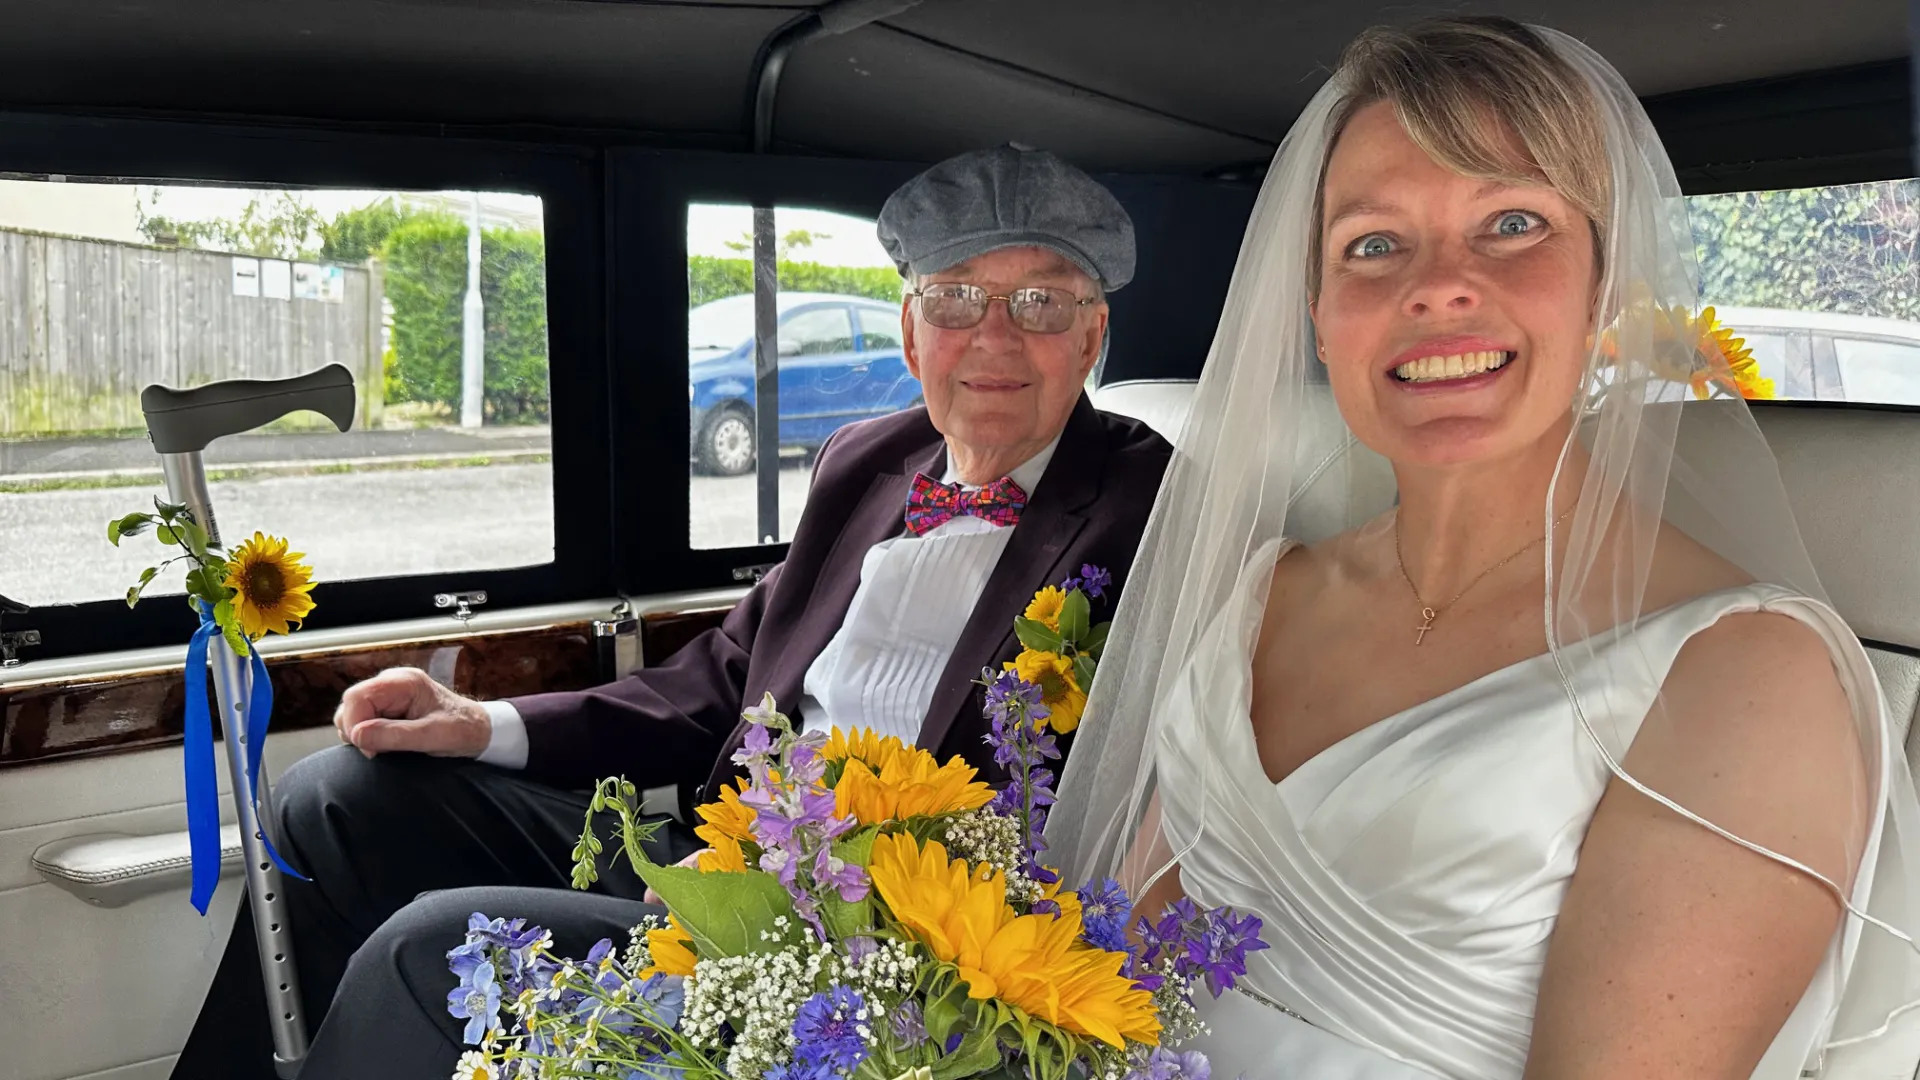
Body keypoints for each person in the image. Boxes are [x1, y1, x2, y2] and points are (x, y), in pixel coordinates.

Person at [171, 144, 1173, 1080]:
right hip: (695, 859)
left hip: (847, 948)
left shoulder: (1154, 508)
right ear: (912, 331)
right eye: (957, 298)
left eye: (1041, 301)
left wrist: (774, 879)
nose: (995, 336)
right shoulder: (868, 461)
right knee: (334, 797)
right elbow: (721, 680)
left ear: (1095, 334)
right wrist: (483, 724)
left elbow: (1084, 807)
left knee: (423, 953)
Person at [1046, 17, 1920, 1080]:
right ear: (1319, 314)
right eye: (1372, 243)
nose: (1440, 284)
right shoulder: (1261, 595)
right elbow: (1114, 983)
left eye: (1513, 222)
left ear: (1603, 287)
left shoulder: (1747, 677)